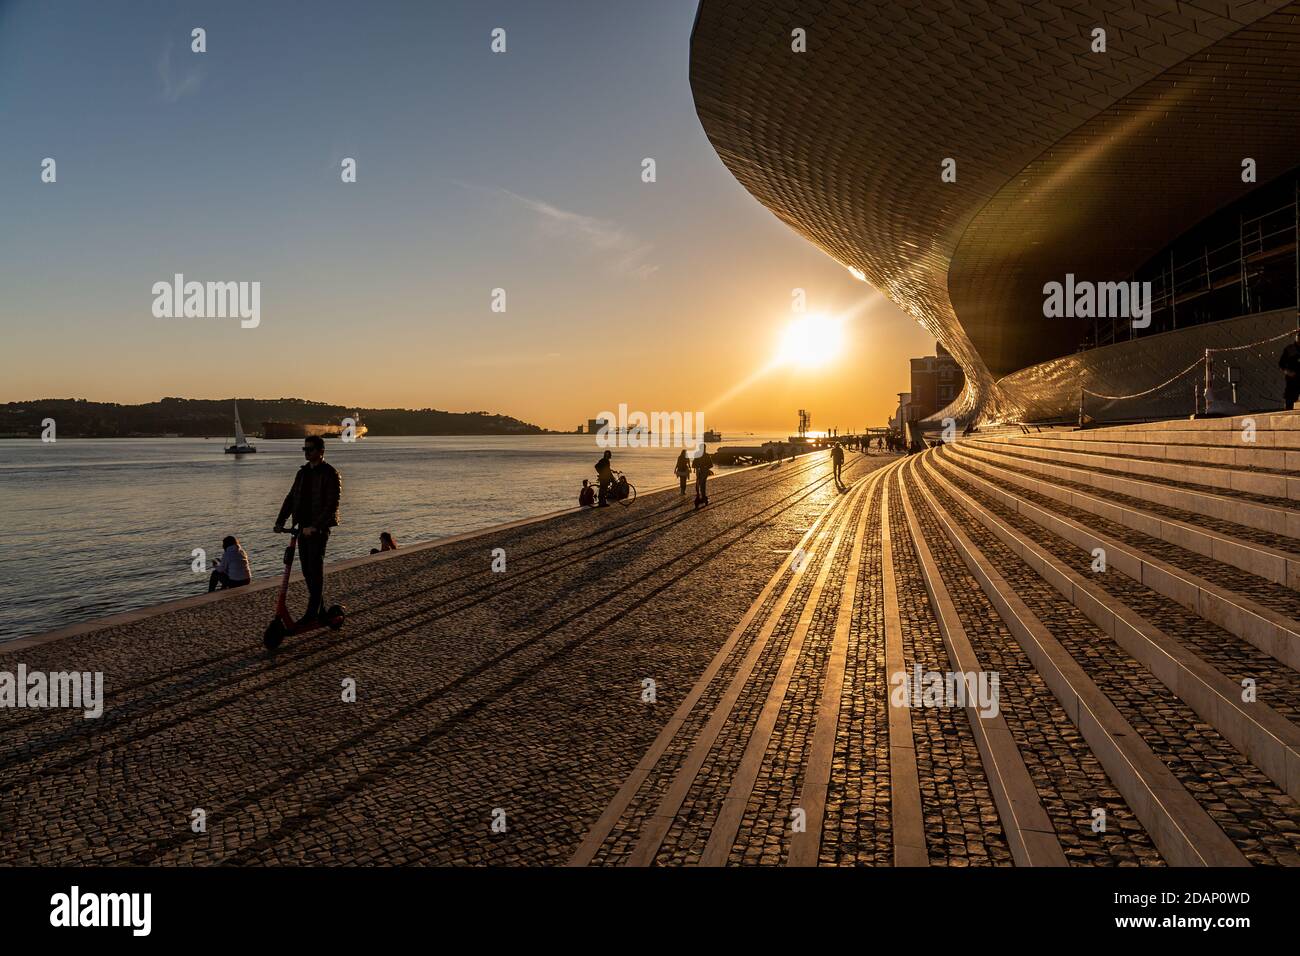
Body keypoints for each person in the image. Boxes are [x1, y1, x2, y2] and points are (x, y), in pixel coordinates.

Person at [274, 435, 342, 625]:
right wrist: (280, 521)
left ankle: (313, 612)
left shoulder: (330, 473)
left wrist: (316, 527)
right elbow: (291, 497)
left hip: (318, 530)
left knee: (315, 568)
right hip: (302, 528)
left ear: (321, 451)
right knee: (306, 570)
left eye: (310, 449)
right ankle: (320, 610)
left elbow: (332, 505)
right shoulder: (302, 473)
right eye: (305, 449)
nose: (307, 452)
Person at [1282, 332, 1300, 411]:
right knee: (1290, 397)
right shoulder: (1290, 349)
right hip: (1293, 378)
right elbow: (1281, 363)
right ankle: (1288, 411)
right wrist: (1287, 372)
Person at [693, 444, 713, 509]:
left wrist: (705, 467)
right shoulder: (697, 454)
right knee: (698, 485)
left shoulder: (706, 455)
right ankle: (700, 497)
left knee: (702, 484)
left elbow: (711, 465)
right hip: (699, 472)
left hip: (704, 472)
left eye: (704, 448)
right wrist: (698, 467)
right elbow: (693, 464)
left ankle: (703, 497)